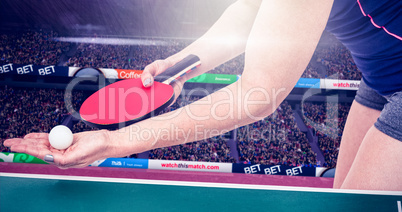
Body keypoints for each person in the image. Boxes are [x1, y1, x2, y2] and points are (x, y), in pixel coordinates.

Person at [4, 0, 401, 191]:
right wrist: (180, 65)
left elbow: (259, 95)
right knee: (346, 198)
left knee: (359, 210)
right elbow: (249, 13)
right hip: (380, 77)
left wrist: (113, 140)